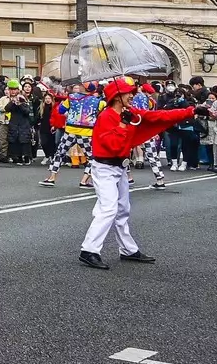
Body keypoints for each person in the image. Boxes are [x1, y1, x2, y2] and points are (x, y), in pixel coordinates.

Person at [77, 77, 195, 270]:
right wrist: (123, 125)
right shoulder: (106, 117)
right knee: (108, 209)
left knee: (122, 210)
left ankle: (127, 249)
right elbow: (114, 146)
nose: (132, 95)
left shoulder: (128, 112)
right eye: (128, 93)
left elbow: (157, 117)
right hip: (105, 168)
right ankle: (89, 250)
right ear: (116, 97)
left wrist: (190, 111)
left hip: (119, 168)